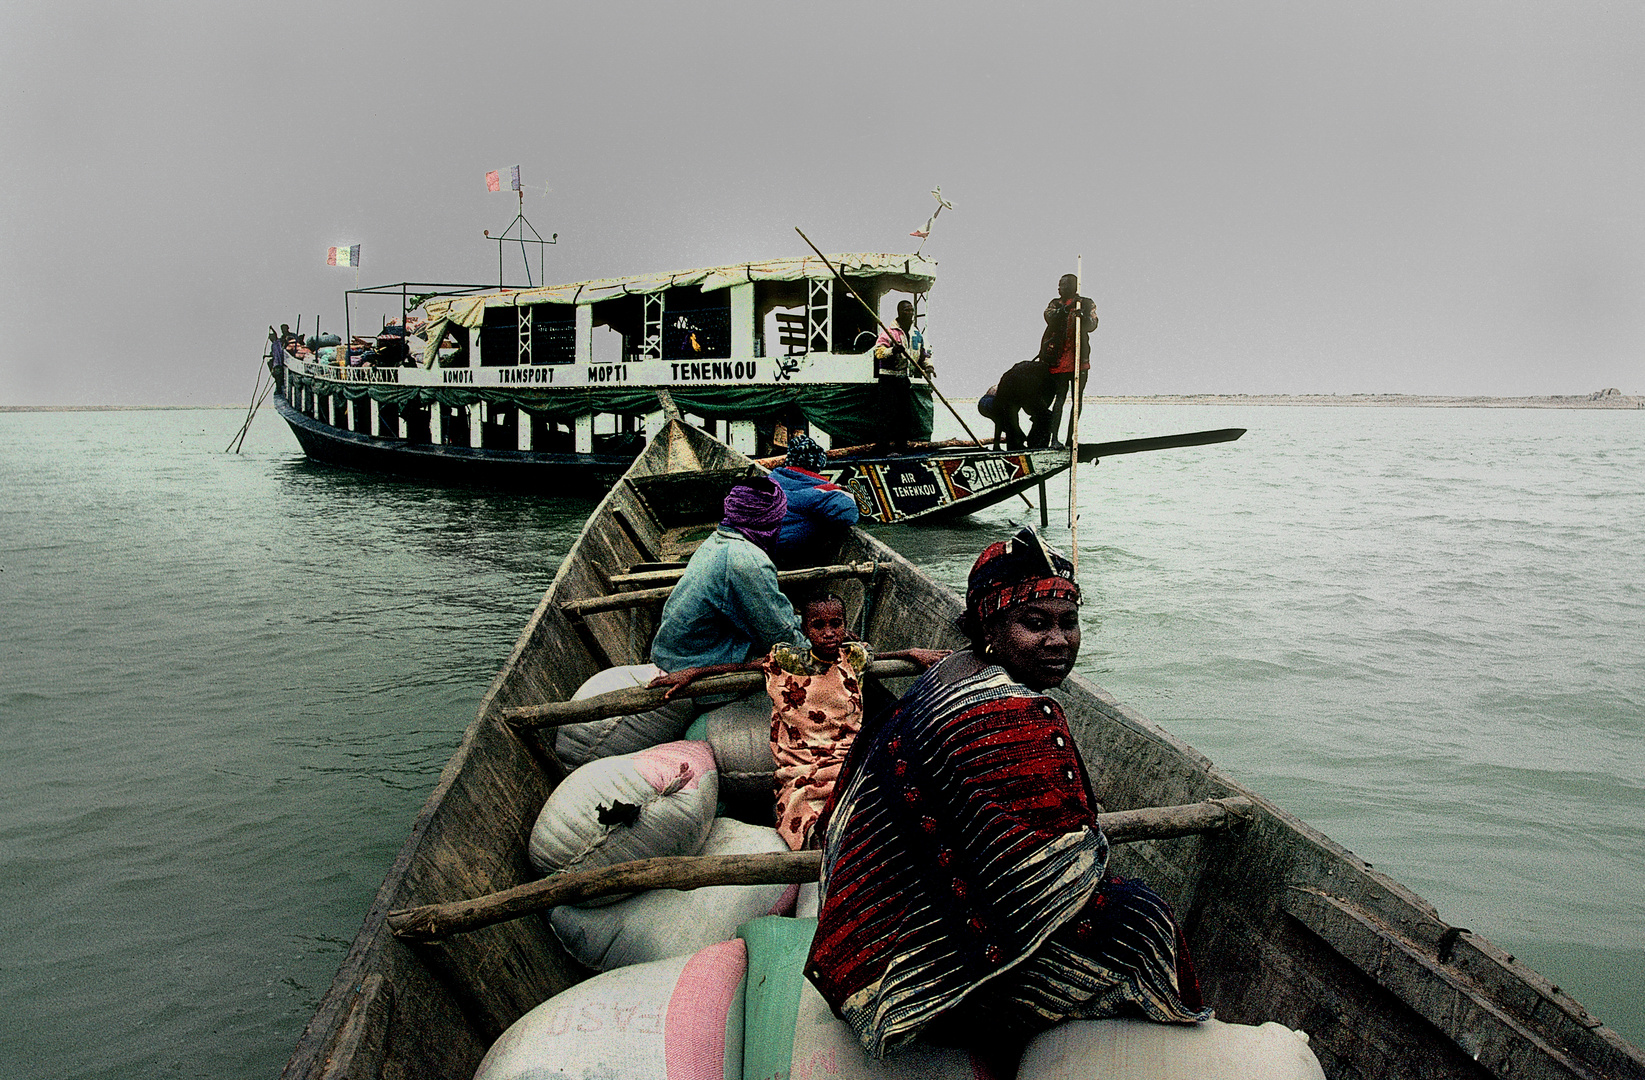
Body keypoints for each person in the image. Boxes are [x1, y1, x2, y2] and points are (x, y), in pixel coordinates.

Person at [805, 527, 1208, 1059]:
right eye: (1035, 624)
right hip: (913, 967)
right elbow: (1061, 858)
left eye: (1069, 623)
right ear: (989, 627)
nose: (1058, 641)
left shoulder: (950, 668)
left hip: (863, 941)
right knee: (1144, 923)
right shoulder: (1019, 715)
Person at [649, 592, 948, 850]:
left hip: (847, 759)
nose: (829, 633)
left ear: (845, 627)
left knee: (889, 803)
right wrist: (693, 673)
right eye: (818, 626)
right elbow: (738, 667)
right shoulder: (786, 661)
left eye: (836, 624)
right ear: (805, 629)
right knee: (805, 815)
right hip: (802, 764)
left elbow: (879, 656)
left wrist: (911, 652)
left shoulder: (854, 657)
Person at [556, 477, 809, 766]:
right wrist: (814, 645)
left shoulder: (718, 540)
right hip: (696, 664)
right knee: (799, 672)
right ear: (771, 521)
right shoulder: (747, 560)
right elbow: (782, 638)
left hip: (676, 652)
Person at [768, 434, 859, 568]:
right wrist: (842, 493)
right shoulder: (821, 492)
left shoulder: (770, 480)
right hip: (787, 554)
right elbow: (848, 514)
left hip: (758, 546)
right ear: (817, 465)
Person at [1035, 275, 1098, 447]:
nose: (1059, 288)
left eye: (1063, 285)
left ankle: (1071, 439)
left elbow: (1092, 324)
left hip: (1080, 360)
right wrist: (1067, 309)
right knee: (1060, 399)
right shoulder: (1055, 304)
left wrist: (1082, 316)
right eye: (1059, 285)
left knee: (1077, 401)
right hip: (1059, 360)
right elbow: (1049, 317)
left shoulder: (1086, 303)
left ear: (1073, 286)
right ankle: (1054, 439)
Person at [873, 300, 933, 455]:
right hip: (888, 378)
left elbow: (923, 353)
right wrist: (893, 350)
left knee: (904, 415)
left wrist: (928, 366)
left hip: (903, 378)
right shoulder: (889, 332)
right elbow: (878, 352)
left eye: (912, 310)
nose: (910, 313)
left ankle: (901, 448)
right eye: (907, 310)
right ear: (899, 312)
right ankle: (883, 449)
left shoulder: (915, 333)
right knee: (887, 415)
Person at [978, 359, 1054, 450]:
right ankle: (1024, 443)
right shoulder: (1020, 386)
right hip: (991, 401)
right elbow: (1002, 417)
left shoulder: (1020, 379)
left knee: (1012, 425)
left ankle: (1021, 443)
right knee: (1013, 425)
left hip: (1006, 391)